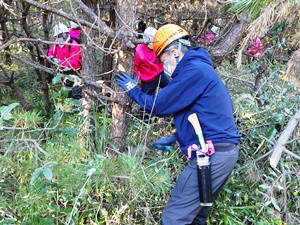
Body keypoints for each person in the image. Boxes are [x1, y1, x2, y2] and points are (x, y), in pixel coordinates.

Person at [115, 24, 240, 225]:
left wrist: (133, 89)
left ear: (174, 52)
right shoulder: (197, 68)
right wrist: (175, 138)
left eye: (163, 59)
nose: (163, 65)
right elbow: (202, 115)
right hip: (221, 153)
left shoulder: (194, 71)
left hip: (212, 156)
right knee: (196, 218)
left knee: (174, 218)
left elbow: (158, 105)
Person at [47, 23, 82, 99]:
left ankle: (78, 109)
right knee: (67, 95)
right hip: (63, 73)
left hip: (74, 73)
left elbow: (75, 63)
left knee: (76, 94)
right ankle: (69, 109)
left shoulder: (74, 44)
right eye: (56, 36)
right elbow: (49, 53)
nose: (57, 38)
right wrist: (52, 58)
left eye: (59, 36)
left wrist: (59, 62)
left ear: (64, 34)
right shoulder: (56, 44)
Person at [134, 26, 170, 95]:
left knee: (172, 89)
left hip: (160, 75)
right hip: (147, 81)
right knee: (145, 103)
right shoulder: (139, 51)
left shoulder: (160, 46)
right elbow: (136, 67)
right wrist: (137, 83)